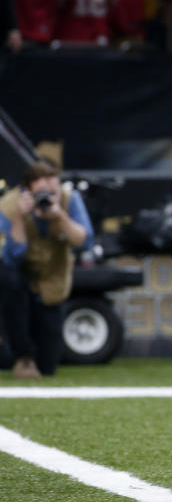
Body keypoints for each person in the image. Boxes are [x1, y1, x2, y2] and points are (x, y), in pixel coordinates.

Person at [0, 160, 94, 378]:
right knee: (7, 277)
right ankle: (23, 357)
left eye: (53, 188)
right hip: (20, 283)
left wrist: (59, 216)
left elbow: (84, 242)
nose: (49, 194)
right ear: (29, 188)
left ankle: (19, 356)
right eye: (42, 190)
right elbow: (12, 257)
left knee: (47, 366)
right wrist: (20, 219)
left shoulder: (69, 199)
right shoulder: (10, 204)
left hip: (51, 284)